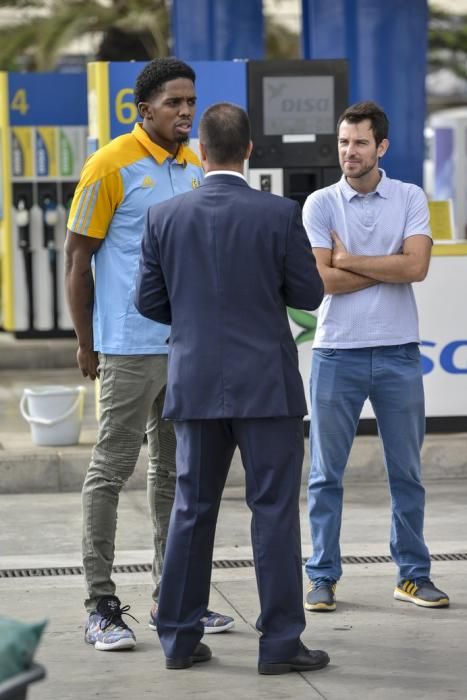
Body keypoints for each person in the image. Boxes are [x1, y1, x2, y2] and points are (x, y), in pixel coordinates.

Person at [135, 102, 328, 674]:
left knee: (191, 509)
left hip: (193, 384)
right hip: (266, 386)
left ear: (199, 150)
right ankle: (280, 644)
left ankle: (178, 639)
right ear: (249, 150)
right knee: (272, 511)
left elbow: (148, 302)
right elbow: (309, 294)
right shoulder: (278, 213)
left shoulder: (164, 216)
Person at [64, 57, 234, 652]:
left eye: (191, 102)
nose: (186, 112)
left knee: (173, 474)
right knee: (110, 470)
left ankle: (173, 597)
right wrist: (87, 342)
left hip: (184, 348)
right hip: (128, 348)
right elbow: (77, 256)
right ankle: (100, 605)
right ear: (144, 110)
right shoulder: (109, 165)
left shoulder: (194, 165)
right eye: (174, 103)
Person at [302, 100, 450, 613]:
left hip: (398, 353)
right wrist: (385, 265)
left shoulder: (410, 197)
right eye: (343, 142)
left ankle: (413, 575)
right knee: (325, 474)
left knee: (406, 472)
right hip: (335, 354)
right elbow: (321, 280)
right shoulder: (320, 203)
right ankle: (322, 575)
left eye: (360, 142)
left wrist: (349, 260)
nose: (349, 151)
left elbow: (418, 269)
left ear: (381, 147)